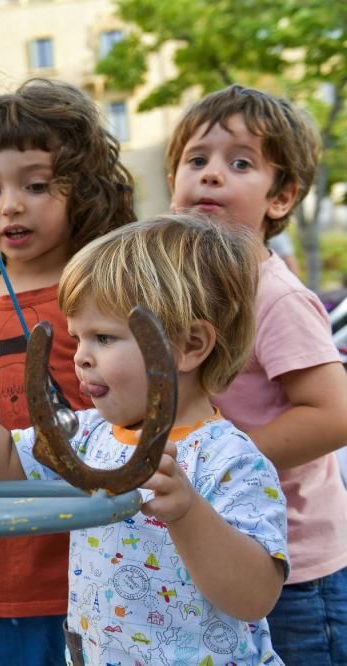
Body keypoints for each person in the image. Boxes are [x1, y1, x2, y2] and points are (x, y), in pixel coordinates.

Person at [0, 215, 288, 665]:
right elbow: (7, 457)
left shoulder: (230, 459)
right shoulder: (90, 435)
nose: (80, 356)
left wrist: (188, 512)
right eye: (77, 336)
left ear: (189, 345)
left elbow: (255, 597)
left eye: (104, 337)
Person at [0, 78, 135, 664]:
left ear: (87, 187)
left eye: (36, 185)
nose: (10, 205)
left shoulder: (112, 292)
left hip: (104, 572)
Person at [166, 84, 347, 663]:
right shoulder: (180, 288)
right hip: (222, 548)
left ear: (281, 196)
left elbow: (335, 413)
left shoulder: (274, 296)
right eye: (196, 160)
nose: (211, 175)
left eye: (239, 163)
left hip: (295, 569)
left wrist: (224, 461)